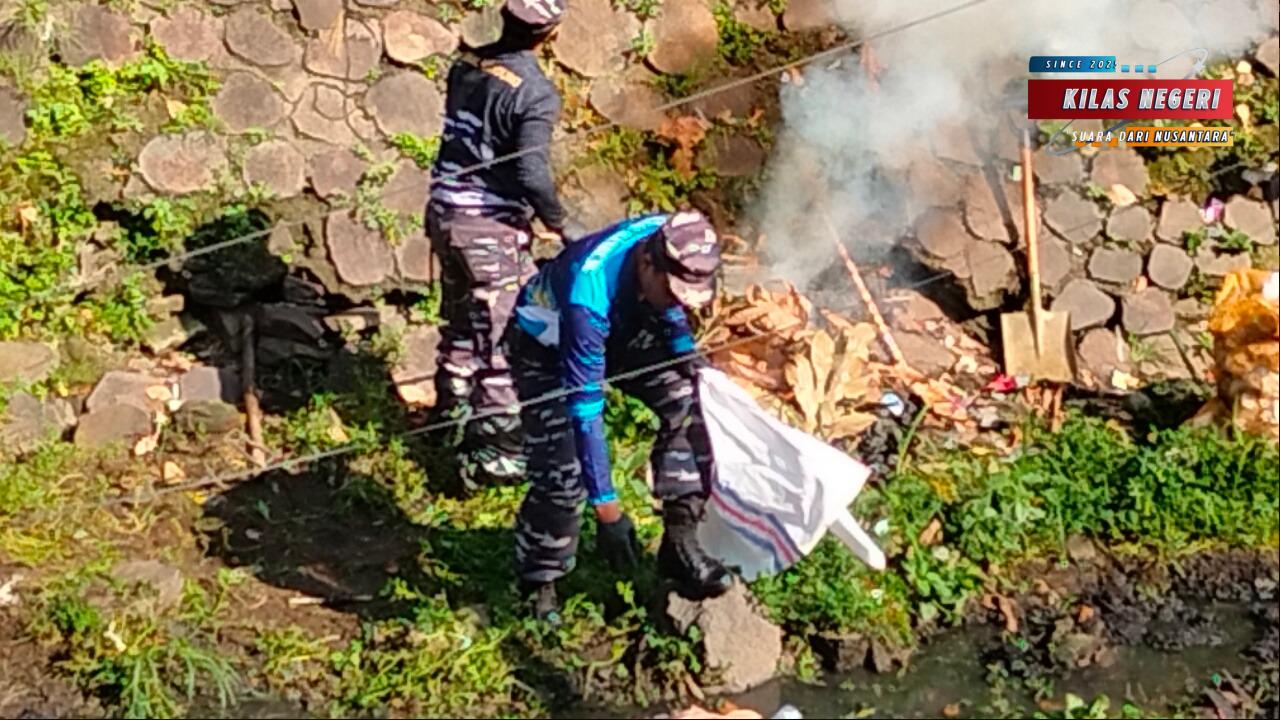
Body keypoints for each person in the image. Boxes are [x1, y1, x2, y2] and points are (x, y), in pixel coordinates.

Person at [507, 210, 734, 620]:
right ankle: (538, 582)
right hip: (547, 344)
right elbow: (586, 416)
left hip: (626, 325)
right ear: (647, 264)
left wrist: (687, 354)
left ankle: (680, 543)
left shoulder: (675, 235)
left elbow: (670, 308)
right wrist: (607, 511)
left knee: (693, 401)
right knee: (563, 472)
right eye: (673, 291)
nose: (678, 301)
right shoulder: (588, 295)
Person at [426, 0, 567, 490]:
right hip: (488, 227)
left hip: (444, 213)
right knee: (509, 335)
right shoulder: (536, 92)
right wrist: (559, 222)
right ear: (550, 33)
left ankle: (447, 419)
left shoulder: (466, 64)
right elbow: (530, 171)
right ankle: (496, 456)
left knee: (463, 320)